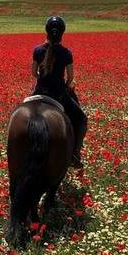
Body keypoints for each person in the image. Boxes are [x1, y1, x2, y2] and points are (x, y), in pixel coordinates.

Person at [31, 15, 87, 168]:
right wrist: (67, 85)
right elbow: (70, 78)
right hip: (59, 95)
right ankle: (75, 154)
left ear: (46, 32)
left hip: (39, 91)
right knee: (81, 119)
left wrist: (41, 79)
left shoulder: (37, 50)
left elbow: (33, 73)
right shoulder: (66, 53)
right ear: (62, 33)